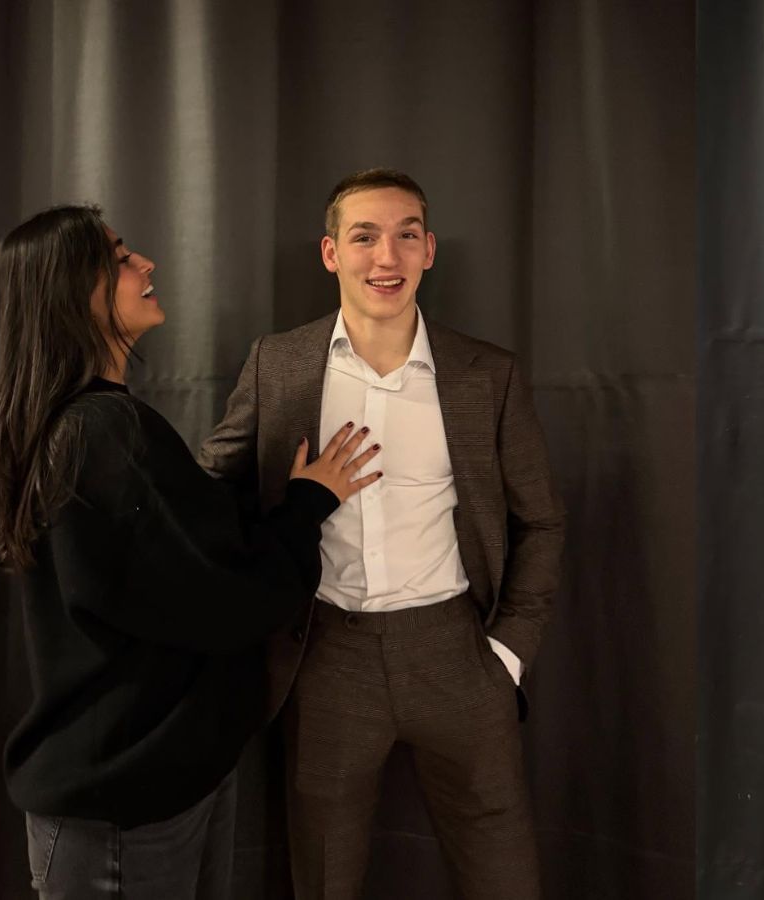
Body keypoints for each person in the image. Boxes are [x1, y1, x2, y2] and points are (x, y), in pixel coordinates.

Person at [0, 205, 381, 899]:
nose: (145, 264)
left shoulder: (85, 427)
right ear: (71, 291)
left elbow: (180, 556)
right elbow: (220, 599)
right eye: (121, 257)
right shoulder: (103, 434)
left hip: (154, 787)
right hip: (124, 805)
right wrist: (309, 505)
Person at [198, 168, 565, 899]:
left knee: (505, 876)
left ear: (429, 250)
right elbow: (208, 491)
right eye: (364, 236)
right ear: (331, 253)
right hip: (328, 658)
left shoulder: (487, 374)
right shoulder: (280, 364)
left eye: (404, 236)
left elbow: (541, 520)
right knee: (324, 876)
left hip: (458, 654)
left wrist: (508, 656)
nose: (385, 258)